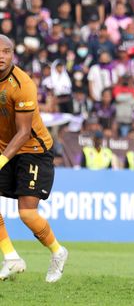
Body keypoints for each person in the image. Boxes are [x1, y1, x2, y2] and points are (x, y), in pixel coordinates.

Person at [0, 35, 68, 282]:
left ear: (13, 55)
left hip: (33, 151)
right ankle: (11, 258)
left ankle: (58, 252)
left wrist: (0, 161)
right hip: (6, 148)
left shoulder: (23, 84)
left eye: (6, 51)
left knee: (27, 213)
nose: (1, 56)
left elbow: (24, 132)